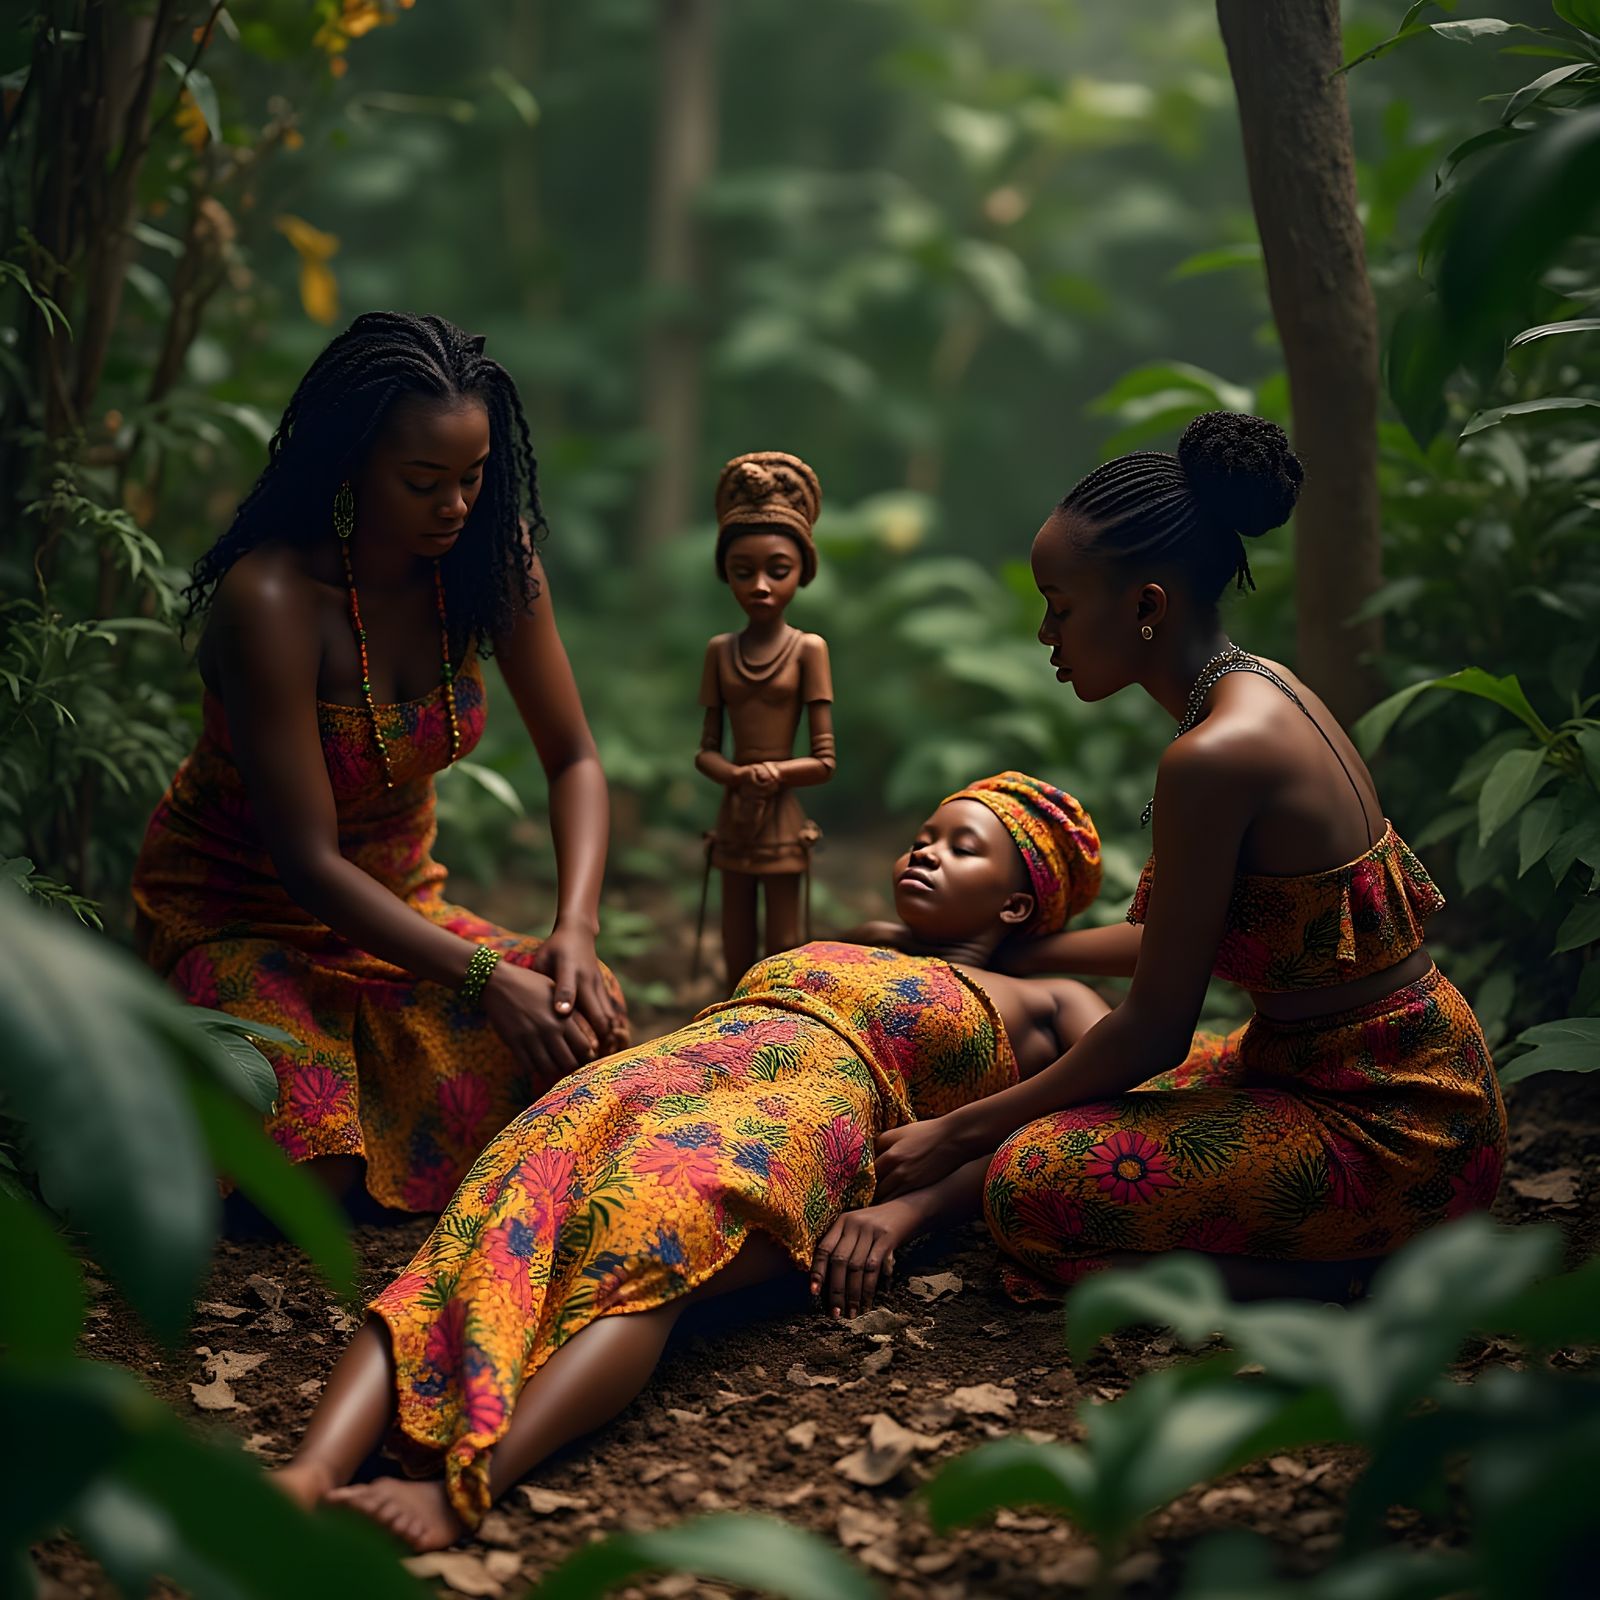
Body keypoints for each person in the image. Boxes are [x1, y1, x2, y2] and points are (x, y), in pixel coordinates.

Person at [271, 772, 1107, 1550]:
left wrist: (909, 1210)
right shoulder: (868, 941)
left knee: (641, 1244)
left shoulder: (1050, 1004)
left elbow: (1072, 1106)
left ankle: (465, 1484)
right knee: (489, 1222)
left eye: (963, 846)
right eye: (924, 835)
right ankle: (313, 1466)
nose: (925, 850)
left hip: (797, 1121)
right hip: (660, 1074)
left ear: (1018, 904)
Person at [867, 412, 1507, 1302]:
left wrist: (960, 1133)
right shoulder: (1260, 688)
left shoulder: (1213, 757)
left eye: (1059, 607)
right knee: (1069, 1080)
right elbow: (1183, 937)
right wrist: (1023, 953)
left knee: (1025, 1185)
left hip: (1395, 1132)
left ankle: (1356, 1276)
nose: (1045, 635)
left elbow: (1156, 1028)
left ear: (1146, 606)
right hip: (1401, 1076)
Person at [132, 312, 627, 1215]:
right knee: (306, 1169)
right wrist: (485, 980)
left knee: (586, 1034)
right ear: (352, 466)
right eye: (423, 481)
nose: (455, 507)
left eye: (474, 478)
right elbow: (307, 863)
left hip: (406, 913)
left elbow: (576, 760)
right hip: (242, 917)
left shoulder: (491, 564)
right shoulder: (273, 598)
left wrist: (576, 931)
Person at [694, 451, 835, 990]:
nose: (760, 586)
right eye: (742, 571)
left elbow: (824, 760)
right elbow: (706, 748)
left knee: (783, 940)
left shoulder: (808, 650)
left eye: (778, 571)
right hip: (735, 813)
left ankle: (779, 1023)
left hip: (779, 815)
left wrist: (774, 775)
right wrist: (734, 775)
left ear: (802, 572)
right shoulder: (720, 651)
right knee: (733, 934)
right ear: (724, 573)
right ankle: (730, 1022)